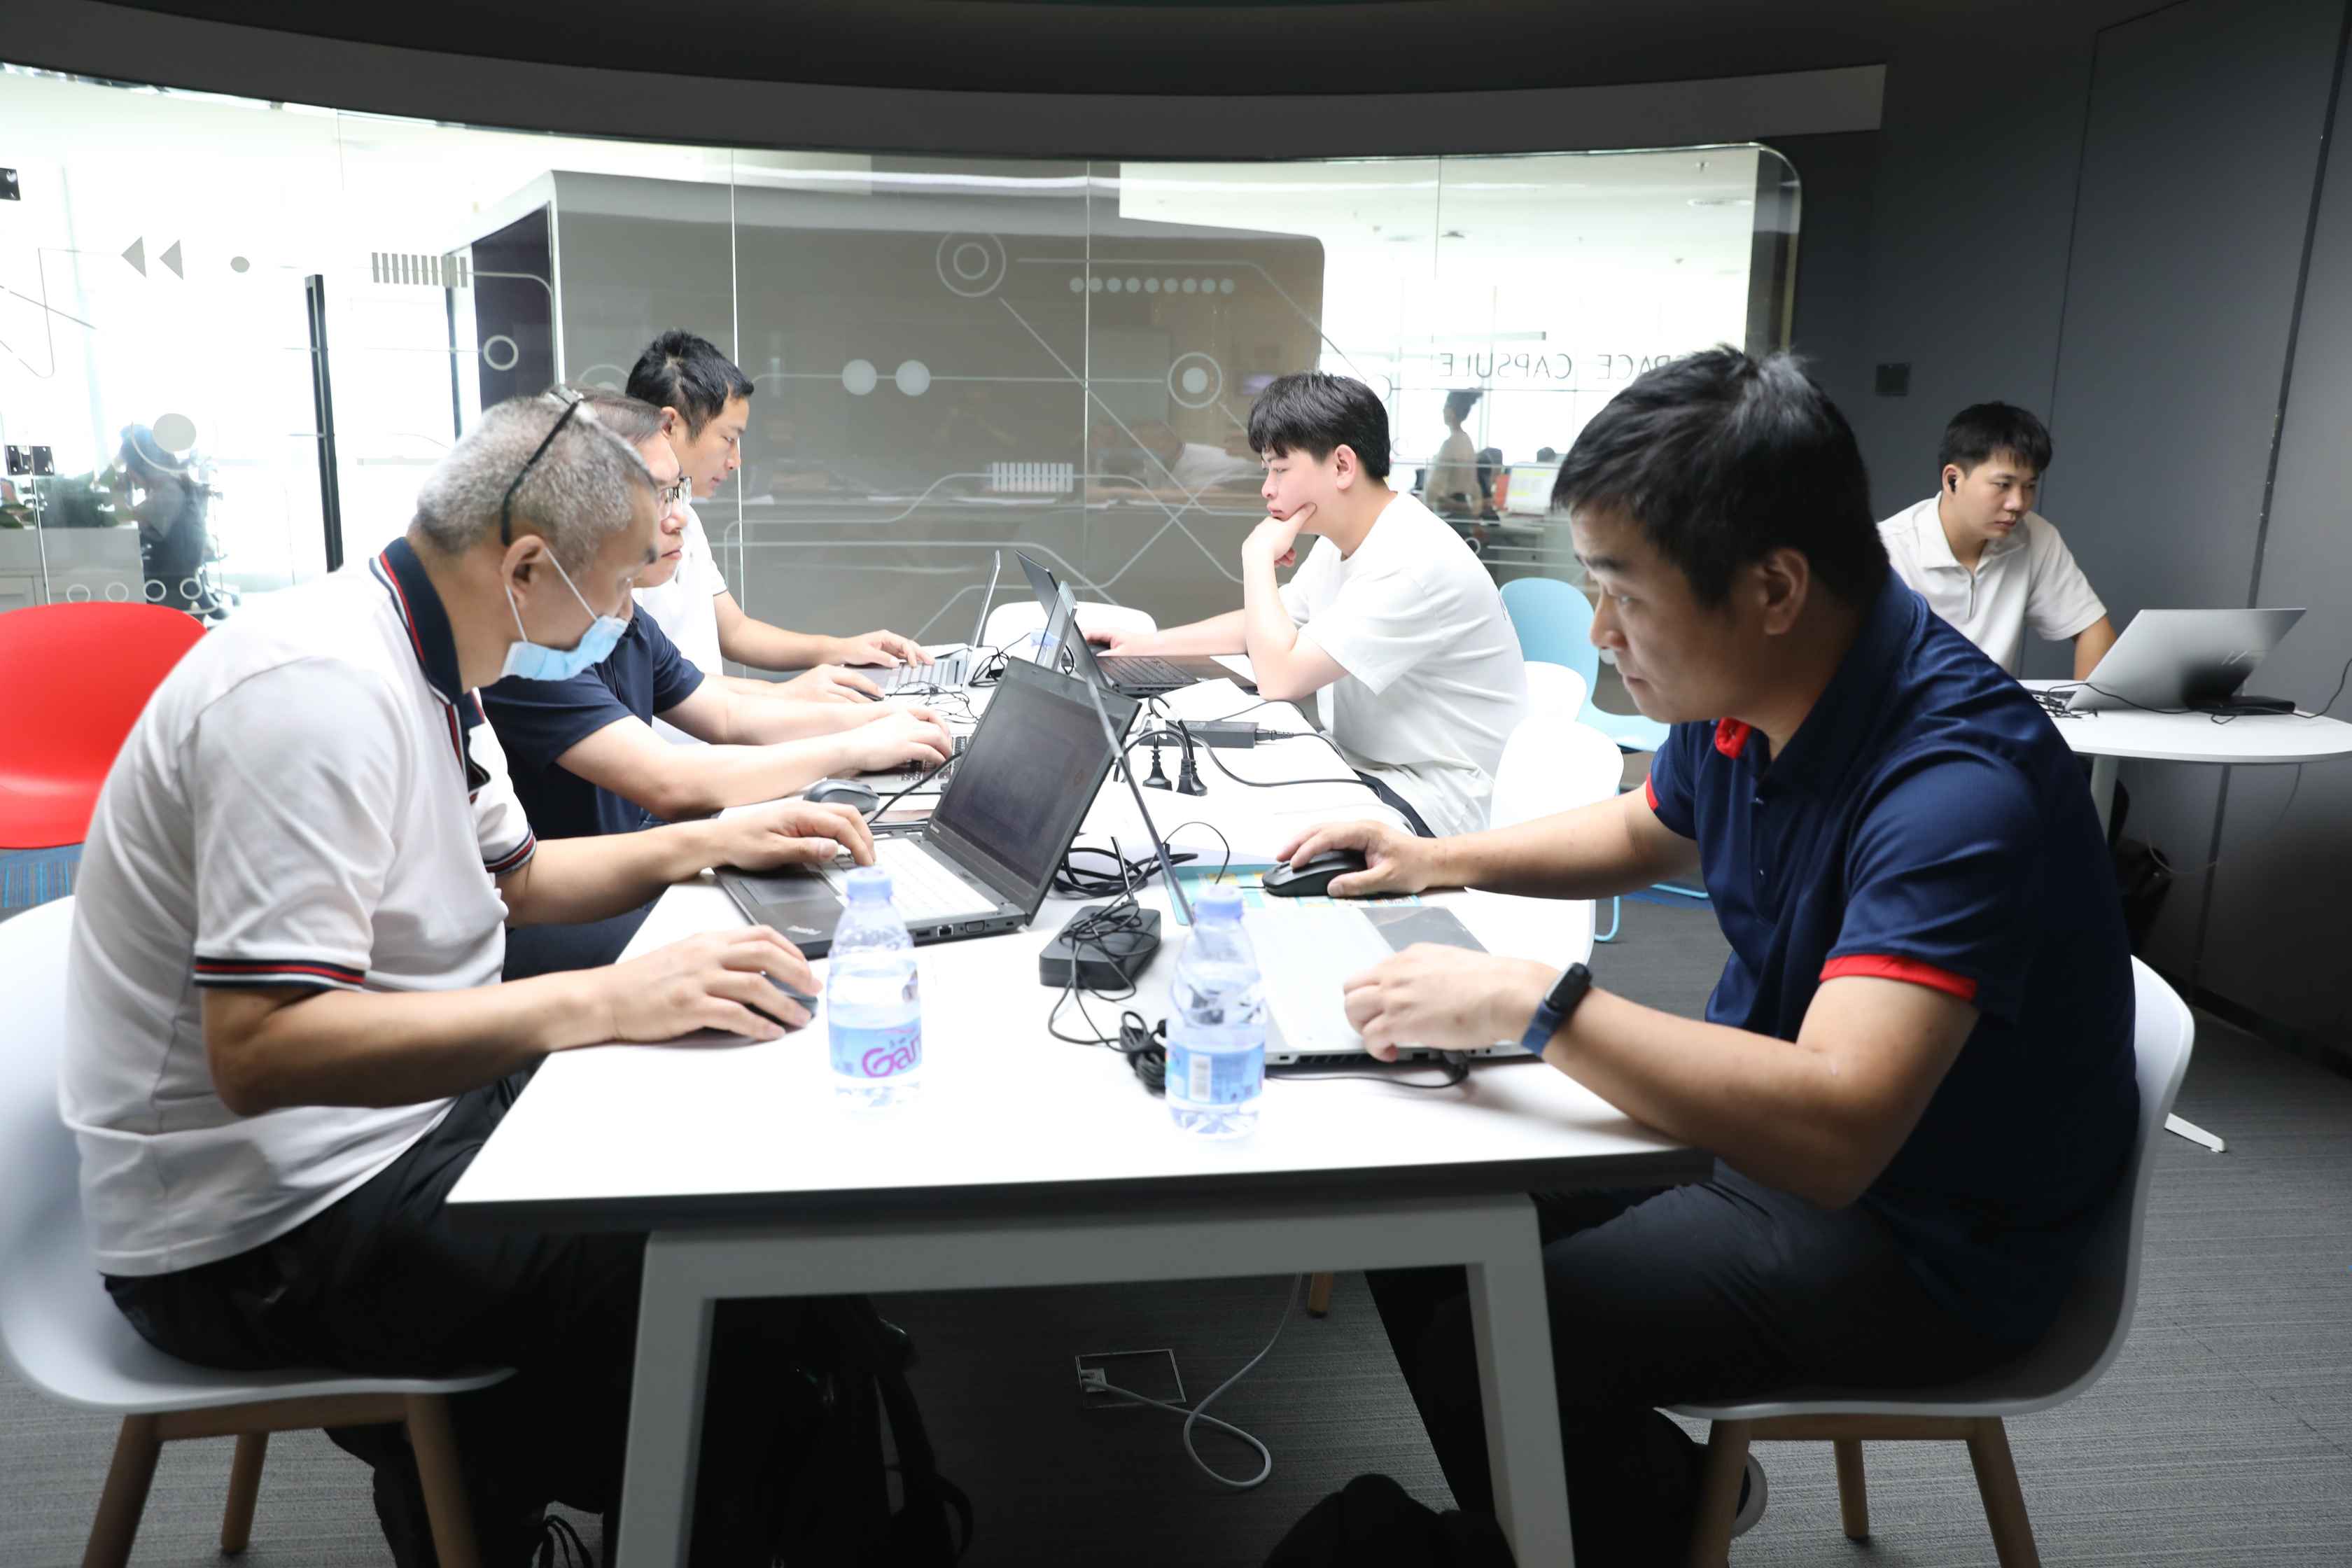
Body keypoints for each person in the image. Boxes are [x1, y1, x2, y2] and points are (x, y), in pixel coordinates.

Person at [1277, 349, 2138, 1562]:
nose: (1599, 634)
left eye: (1623, 596)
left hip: (1928, 1238)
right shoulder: (1761, 684)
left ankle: (1622, 1522)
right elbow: (1649, 827)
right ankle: (1632, 1512)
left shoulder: (1954, 784)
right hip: (1759, 1136)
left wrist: (1535, 1001)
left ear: (1774, 586)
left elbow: (1838, 1131)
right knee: (1412, 1212)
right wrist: (1435, 860)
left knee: (1501, 1325)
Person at [60, 389, 880, 1564]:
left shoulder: (428, 651)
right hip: (264, 1235)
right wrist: (603, 1002)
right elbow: (259, 1052)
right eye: (615, 588)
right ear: (530, 566)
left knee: (733, 1181)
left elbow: (522, 879)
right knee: (740, 1293)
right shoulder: (313, 694)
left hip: (387, 1136)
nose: (620, 616)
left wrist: (713, 838)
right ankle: (602, 1465)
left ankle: (517, 1476)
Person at [482, 391, 953, 976]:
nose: (678, 517)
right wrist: (854, 747)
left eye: (675, 492)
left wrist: (880, 722)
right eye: (658, 495)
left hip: (628, 876)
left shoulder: (620, 618)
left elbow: (728, 714)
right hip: (562, 922)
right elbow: (670, 781)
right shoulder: (530, 645)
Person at [1093, 372, 1527, 838]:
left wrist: (1257, 557)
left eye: (1280, 469)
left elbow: (1279, 678)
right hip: (1367, 768)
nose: (1267, 488)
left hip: (1438, 800)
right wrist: (1146, 644)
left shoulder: (1412, 561)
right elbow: (1262, 627)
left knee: (1229, 825)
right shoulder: (1344, 540)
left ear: (1342, 465)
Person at [625, 330, 932, 725]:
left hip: (716, 738)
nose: (736, 461)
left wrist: (842, 649)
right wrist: (787, 694)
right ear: (669, 426)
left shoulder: (686, 517)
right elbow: (666, 685)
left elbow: (735, 632)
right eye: (728, 438)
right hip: (683, 748)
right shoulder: (622, 541)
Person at [1879, 402, 2118, 678]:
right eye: (2003, 485)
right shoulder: (1886, 551)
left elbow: (2092, 628)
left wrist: (2086, 705)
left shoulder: (2036, 535)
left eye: (2029, 486)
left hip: (1996, 705)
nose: (2018, 503)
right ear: (1953, 480)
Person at [1424, 388, 1481, 517]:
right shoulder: (1466, 440)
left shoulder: (1450, 444)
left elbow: (1434, 488)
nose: (1443, 410)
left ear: (1452, 412)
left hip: (1450, 513)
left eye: (1446, 407)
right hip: (1463, 510)